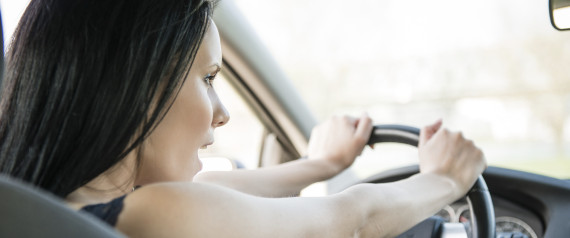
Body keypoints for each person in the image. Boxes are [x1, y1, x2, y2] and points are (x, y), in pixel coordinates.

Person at [0, 0, 486, 237]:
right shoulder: (159, 216)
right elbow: (352, 221)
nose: (224, 112)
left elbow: (220, 190)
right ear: (136, 88)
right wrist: (445, 179)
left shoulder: (48, 212)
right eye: (209, 79)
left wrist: (322, 164)